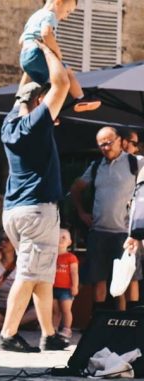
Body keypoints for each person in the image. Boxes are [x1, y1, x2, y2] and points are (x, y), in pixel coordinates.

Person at [0, 42, 70, 353]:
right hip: (37, 211)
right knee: (28, 274)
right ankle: (8, 334)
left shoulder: (9, 124)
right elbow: (62, 83)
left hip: (14, 211)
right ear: (40, 102)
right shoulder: (35, 124)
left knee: (41, 273)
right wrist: (50, 48)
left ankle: (49, 333)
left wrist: (30, 58)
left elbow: (22, 91)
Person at [70, 126, 143, 311]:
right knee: (98, 278)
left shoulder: (136, 163)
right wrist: (81, 212)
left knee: (130, 277)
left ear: (120, 141)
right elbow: (75, 189)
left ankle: (131, 323)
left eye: (108, 143)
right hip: (99, 231)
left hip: (126, 234)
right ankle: (98, 323)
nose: (105, 148)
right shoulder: (96, 167)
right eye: (101, 145)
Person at [17, 0, 92, 108]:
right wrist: (57, 52)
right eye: (68, 11)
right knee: (67, 72)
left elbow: (21, 40)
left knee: (44, 86)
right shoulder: (50, 15)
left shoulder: (35, 16)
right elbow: (46, 33)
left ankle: (38, 110)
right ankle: (81, 99)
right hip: (37, 54)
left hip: (25, 58)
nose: (66, 17)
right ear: (58, 2)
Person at [53, 227, 79, 339]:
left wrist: (75, 286)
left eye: (64, 237)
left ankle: (67, 329)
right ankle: (53, 328)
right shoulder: (51, 257)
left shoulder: (71, 257)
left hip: (66, 289)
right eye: (58, 237)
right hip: (53, 287)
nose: (61, 239)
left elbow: (74, 273)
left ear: (69, 242)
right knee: (55, 310)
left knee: (66, 310)